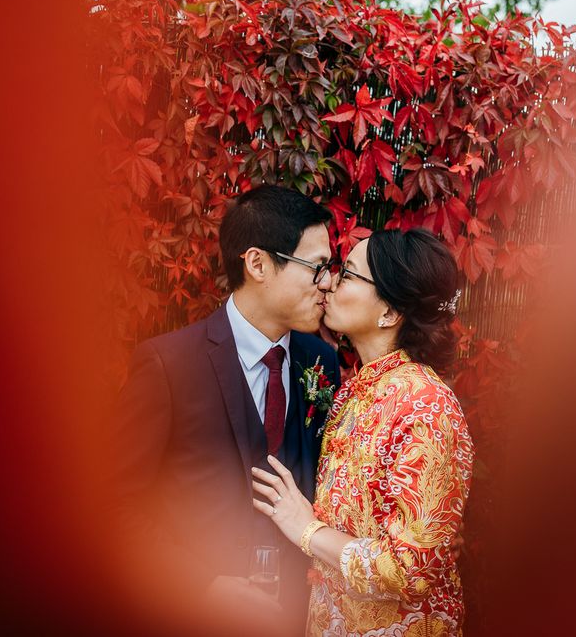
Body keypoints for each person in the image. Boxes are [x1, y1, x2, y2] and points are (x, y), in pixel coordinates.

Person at [114, 185, 340, 633]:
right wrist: (202, 585)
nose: (328, 282)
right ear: (258, 264)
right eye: (316, 267)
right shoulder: (167, 365)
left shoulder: (323, 361)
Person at [252, 227, 475, 636]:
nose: (330, 283)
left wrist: (307, 529)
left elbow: (410, 572)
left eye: (349, 274)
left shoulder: (425, 405)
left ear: (389, 312)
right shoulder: (355, 389)